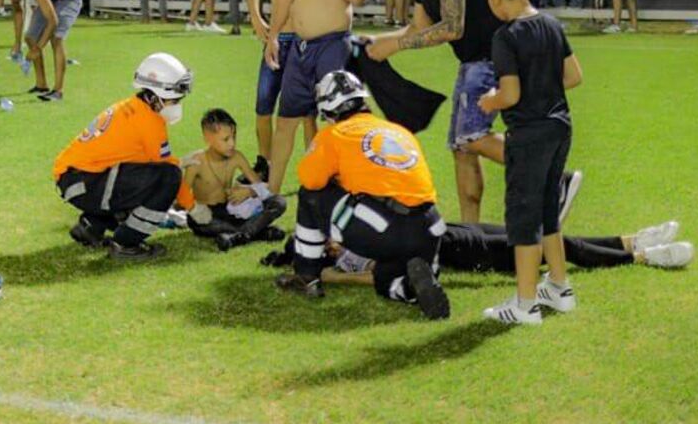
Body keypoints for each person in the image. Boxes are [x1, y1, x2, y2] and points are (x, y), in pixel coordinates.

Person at [368, 0, 518, 224]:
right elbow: (419, 27)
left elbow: (452, 27)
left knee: (469, 137)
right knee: (462, 148)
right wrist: (375, 42)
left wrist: (393, 47)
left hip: (491, 58)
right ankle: (470, 232)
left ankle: (551, 175)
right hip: (474, 61)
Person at [272, 71, 450, 320]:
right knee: (386, 278)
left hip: (383, 227)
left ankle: (306, 277)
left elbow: (310, 180)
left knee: (311, 196)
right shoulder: (398, 130)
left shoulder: (335, 135)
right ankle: (409, 288)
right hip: (429, 228)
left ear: (329, 109)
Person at [476, 0, 585, 325]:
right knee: (547, 211)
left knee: (524, 218)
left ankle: (525, 305)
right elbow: (573, 76)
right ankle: (559, 287)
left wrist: (491, 100)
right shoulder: (552, 25)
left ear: (494, 0)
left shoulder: (505, 37)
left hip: (528, 135)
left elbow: (510, 93)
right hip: (559, 128)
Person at [266, 0, 368, 193]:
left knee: (337, 122)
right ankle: (270, 193)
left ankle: (343, 189)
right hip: (299, 45)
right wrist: (272, 35)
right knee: (285, 120)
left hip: (334, 43)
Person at [52, 53, 193, 261]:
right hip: (82, 182)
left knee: (140, 179)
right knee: (168, 177)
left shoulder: (134, 107)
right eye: (175, 99)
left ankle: (91, 227)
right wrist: (194, 208)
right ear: (156, 95)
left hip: (74, 179)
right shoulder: (149, 121)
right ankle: (126, 244)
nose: (178, 103)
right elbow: (168, 169)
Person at [266, 219, 694, 279]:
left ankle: (631, 240)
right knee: (551, 248)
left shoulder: (353, 230)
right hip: (462, 255)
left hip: (456, 230)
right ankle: (640, 255)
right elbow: (377, 274)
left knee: (547, 235)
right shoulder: (349, 262)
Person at [245, 0, 310, 178]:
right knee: (263, 107)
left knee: (306, 111)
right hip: (275, 40)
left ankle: (313, 167)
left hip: (304, 40)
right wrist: (257, 18)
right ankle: (264, 164)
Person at [178, 108, 286, 251]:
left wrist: (250, 191)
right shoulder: (196, 162)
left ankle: (236, 236)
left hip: (230, 211)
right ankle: (256, 232)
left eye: (234, 137)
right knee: (206, 222)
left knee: (279, 202)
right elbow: (181, 196)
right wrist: (192, 208)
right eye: (226, 139)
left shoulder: (236, 157)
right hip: (207, 216)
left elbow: (265, 188)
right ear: (207, 138)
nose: (232, 144)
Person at [0, 0, 80, 101]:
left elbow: (53, 21)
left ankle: (58, 91)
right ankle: (41, 85)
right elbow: (18, 12)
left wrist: (38, 48)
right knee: (30, 37)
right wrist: (17, 43)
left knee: (56, 38)